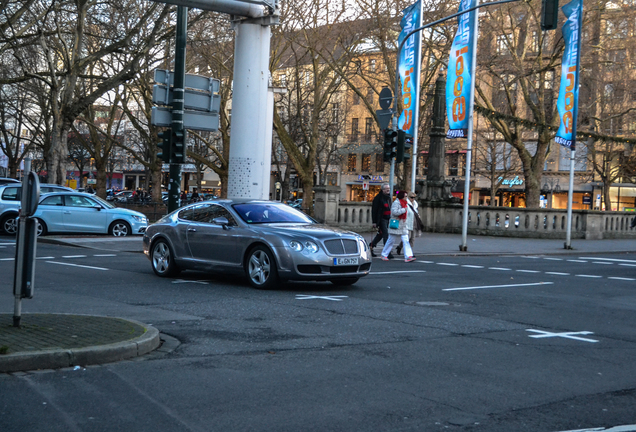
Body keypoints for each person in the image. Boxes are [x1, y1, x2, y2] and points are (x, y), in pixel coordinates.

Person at [381, 190, 415, 262]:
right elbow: (394, 212)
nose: (406, 198)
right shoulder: (396, 203)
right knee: (391, 240)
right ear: (402, 196)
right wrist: (403, 210)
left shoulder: (405, 203)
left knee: (406, 240)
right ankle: (384, 254)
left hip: (402, 224)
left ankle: (408, 256)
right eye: (405, 196)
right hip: (396, 223)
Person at [369, 183, 394, 259]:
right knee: (386, 235)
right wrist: (374, 222)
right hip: (382, 219)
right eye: (386, 189)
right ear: (382, 190)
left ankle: (370, 246)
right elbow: (374, 210)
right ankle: (387, 252)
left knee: (380, 235)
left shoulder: (388, 198)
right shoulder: (378, 198)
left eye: (389, 189)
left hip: (388, 218)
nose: (388, 190)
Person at [396, 191, 418, 255]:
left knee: (413, 239)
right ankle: (400, 247)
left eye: (414, 197)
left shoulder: (415, 204)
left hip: (414, 222)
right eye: (411, 197)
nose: (413, 199)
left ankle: (410, 252)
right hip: (407, 222)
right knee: (408, 238)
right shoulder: (406, 204)